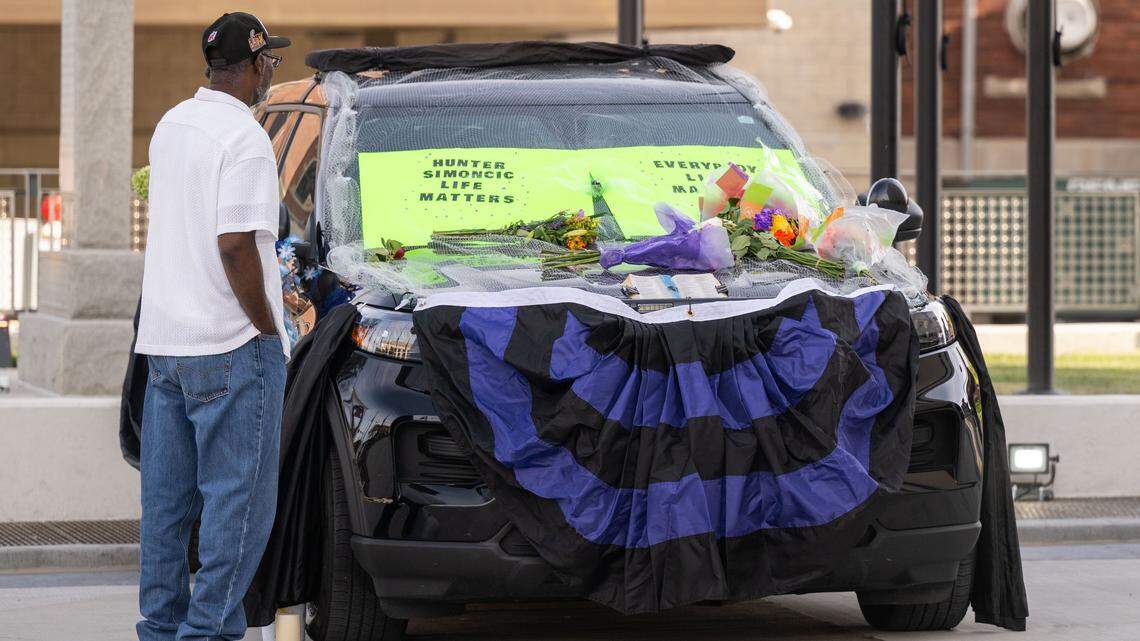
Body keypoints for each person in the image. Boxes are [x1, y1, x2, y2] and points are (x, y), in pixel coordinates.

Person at [134, 12, 291, 641]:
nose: (269, 72)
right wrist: (267, 330)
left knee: (166, 510)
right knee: (239, 509)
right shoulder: (246, 138)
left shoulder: (172, 126)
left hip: (166, 347)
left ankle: (159, 629)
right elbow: (234, 246)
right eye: (269, 62)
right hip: (231, 345)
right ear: (255, 65)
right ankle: (206, 636)